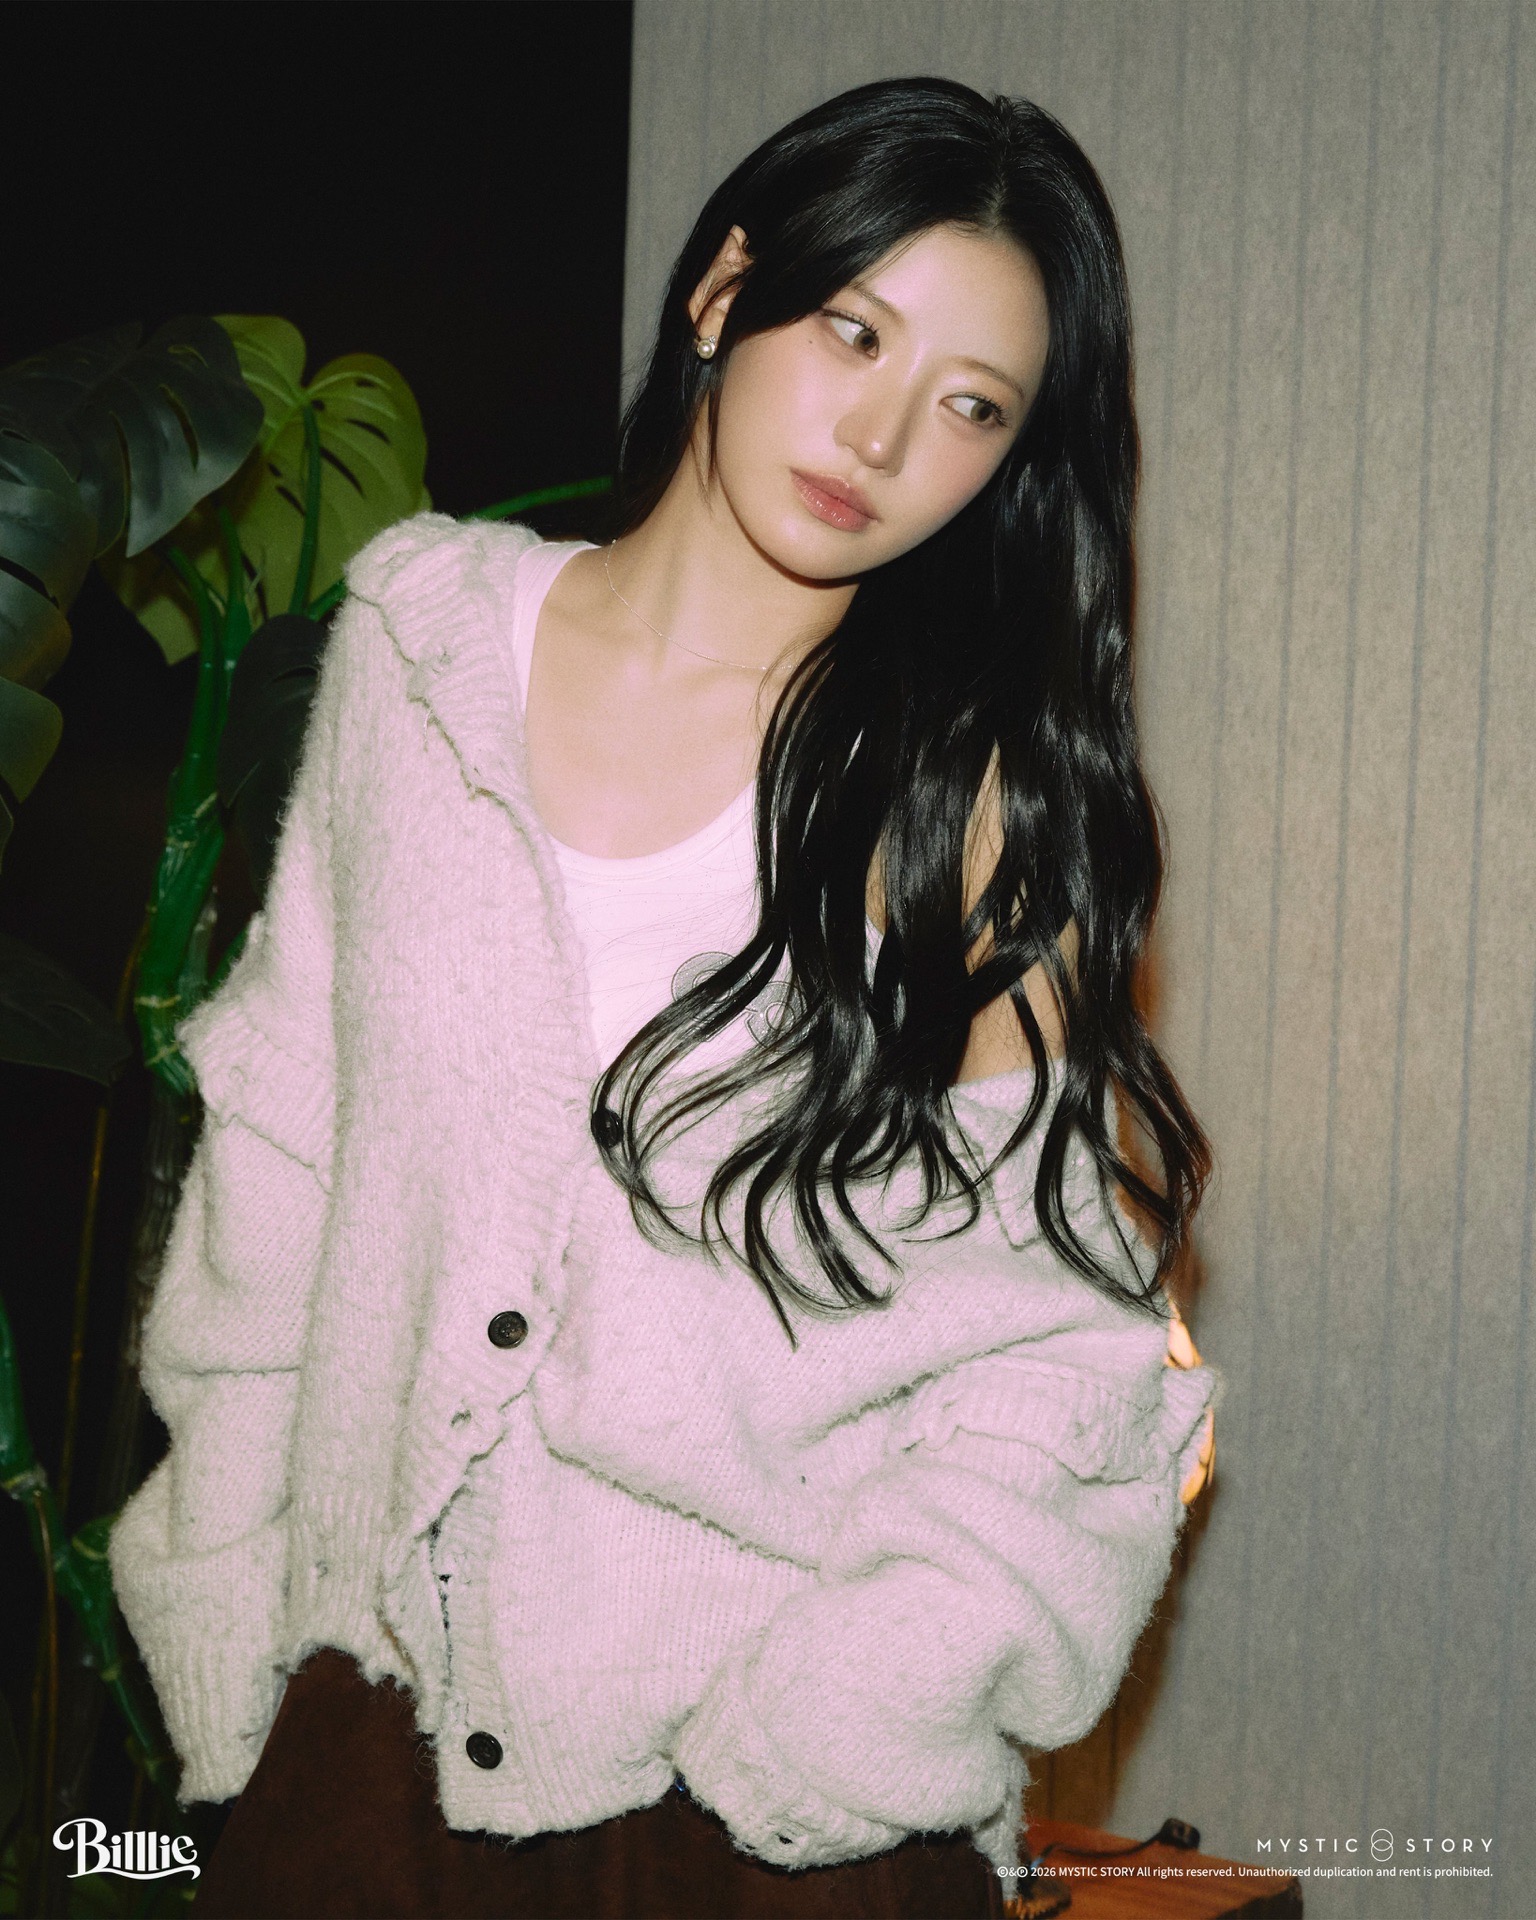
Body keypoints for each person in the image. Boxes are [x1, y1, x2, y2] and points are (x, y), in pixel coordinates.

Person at [109, 77, 1221, 1919]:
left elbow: (1064, 1361)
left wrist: (839, 1727)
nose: (882, 435)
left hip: (774, 1801)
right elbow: (276, 1185)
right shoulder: (420, 652)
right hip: (361, 1752)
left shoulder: (971, 810)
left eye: (972, 406)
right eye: (852, 330)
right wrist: (233, 1665)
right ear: (723, 292)